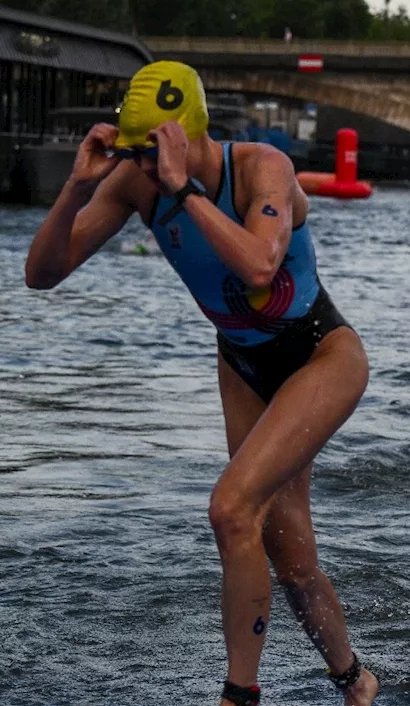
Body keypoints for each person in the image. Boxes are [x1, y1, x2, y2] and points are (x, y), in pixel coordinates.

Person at [24, 61, 377, 706]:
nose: (146, 164)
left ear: (188, 136)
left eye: (156, 149)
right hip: (242, 366)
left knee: (230, 508)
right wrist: (77, 189)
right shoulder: (138, 183)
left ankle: (239, 694)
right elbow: (42, 275)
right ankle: (355, 682)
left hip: (320, 356)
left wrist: (184, 189)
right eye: (139, 151)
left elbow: (262, 267)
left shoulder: (262, 167)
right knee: (289, 556)